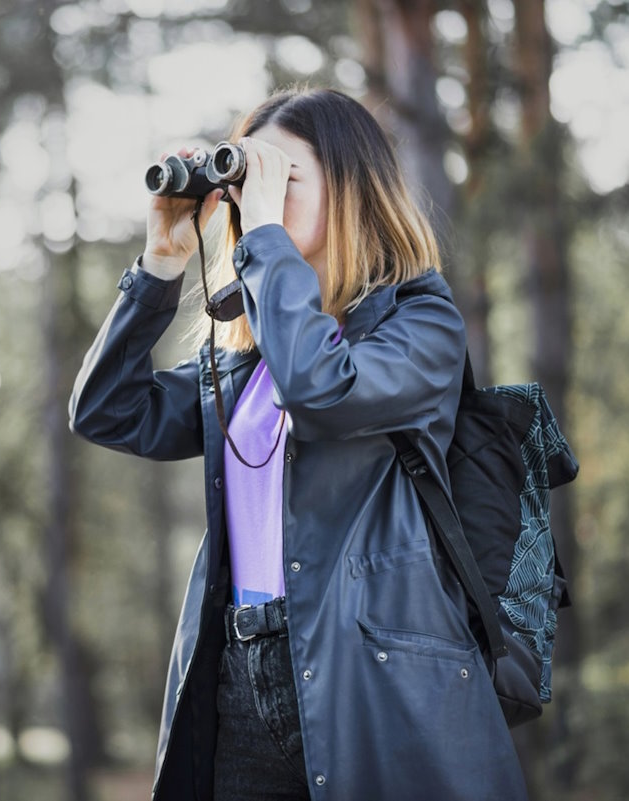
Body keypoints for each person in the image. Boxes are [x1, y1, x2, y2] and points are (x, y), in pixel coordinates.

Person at [68, 88, 528, 800]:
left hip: (371, 678)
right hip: (240, 678)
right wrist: (160, 263)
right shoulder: (248, 356)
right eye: (249, 180)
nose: (260, 199)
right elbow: (106, 410)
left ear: (349, 186)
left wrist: (261, 242)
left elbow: (323, 389)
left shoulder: (419, 321)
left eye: (281, 178)